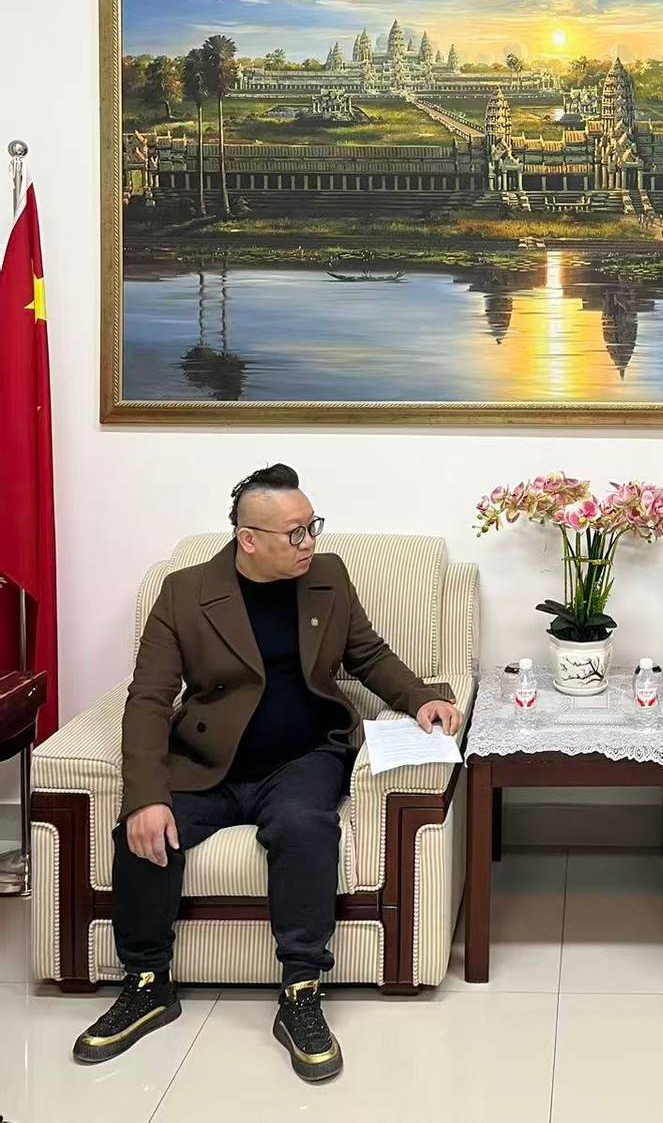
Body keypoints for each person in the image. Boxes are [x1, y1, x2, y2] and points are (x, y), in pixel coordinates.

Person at [72, 463, 462, 1083]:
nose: (310, 542)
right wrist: (145, 795)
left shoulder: (328, 577)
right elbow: (148, 699)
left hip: (304, 756)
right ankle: (147, 984)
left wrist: (422, 698)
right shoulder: (184, 593)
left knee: (306, 827)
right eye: (295, 533)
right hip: (207, 762)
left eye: (312, 526)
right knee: (143, 832)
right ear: (248, 538)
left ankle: (301, 991)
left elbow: (368, 655)